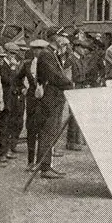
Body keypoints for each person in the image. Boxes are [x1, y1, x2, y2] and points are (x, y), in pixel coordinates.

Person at [36, 31, 74, 178]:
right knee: (48, 131)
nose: (66, 41)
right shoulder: (46, 54)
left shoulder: (54, 53)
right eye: (64, 38)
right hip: (50, 97)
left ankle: (47, 165)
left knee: (52, 131)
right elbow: (54, 76)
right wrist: (69, 84)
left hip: (55, 97)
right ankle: (44, 167)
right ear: (57, 38)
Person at [17, 39, 49, 171]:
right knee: (31, 131)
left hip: (45, 101)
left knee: (44, 131)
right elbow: (17, 79)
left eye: (40, 49)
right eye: (35, 49)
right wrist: (23, 89)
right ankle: (30, 162)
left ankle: (41, 162)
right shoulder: (27, 64)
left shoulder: (49, 64)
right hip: (31, 101)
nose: (37, 52)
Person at [66, 37, 93, 151]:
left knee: (80, 114)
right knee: (73, 115)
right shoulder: (70, 60)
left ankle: (77, 139)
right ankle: (70, 141)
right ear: (76, 47)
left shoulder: (81, 59)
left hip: (81, 87)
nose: (84, 50)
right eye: (82, 47)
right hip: (74, 87)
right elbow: (68, 76)